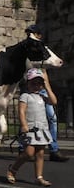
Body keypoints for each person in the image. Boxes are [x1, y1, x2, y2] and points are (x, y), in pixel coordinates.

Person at [24, 25, 69, 162]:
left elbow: (43, 71)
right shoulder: (25, 50)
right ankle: (24, 147)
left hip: (42, 88)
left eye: (35, 34)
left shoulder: (42, 50)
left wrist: (47, 89)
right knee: (27, 119)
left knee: (52, 117)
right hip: (28, 88)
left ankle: (54, 149)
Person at [7, 68, 56, 187]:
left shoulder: (42, 97)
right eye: (33, 83)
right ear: (27, 83)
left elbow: (54, 101)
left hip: (42, 129)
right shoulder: (25, 96)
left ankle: (39, 177)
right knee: (29, 153)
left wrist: (47, 87)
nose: (36, 86)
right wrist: (24, 125)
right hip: (30, 129)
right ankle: (13, 169)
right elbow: (21, 111)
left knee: (40, 153)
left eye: (39, 83)